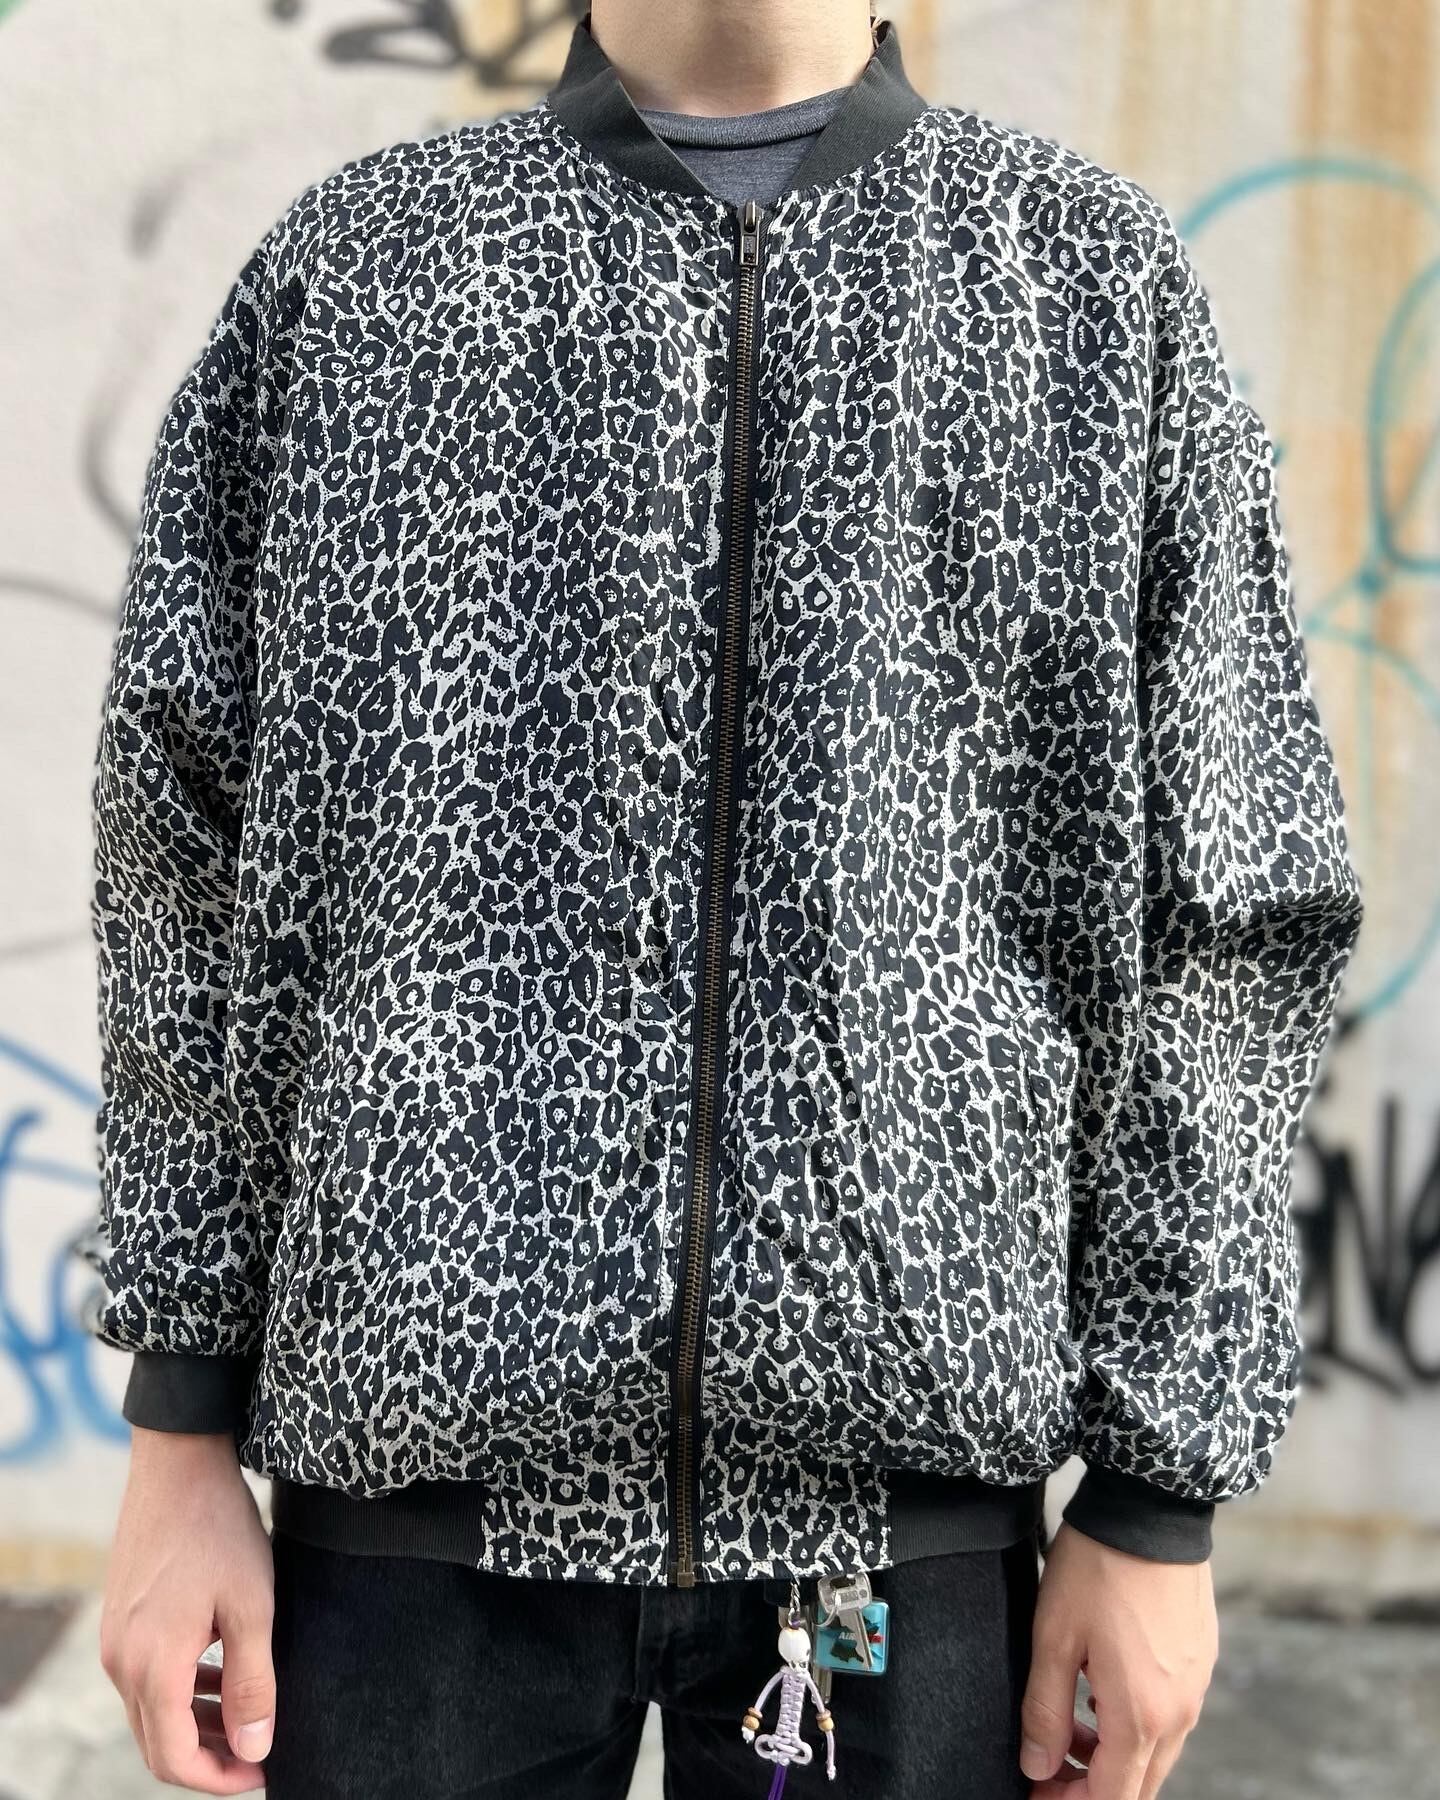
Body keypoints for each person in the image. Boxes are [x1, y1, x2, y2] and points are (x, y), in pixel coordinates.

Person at [82, 2, 1364, 1796]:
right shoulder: (364, 275)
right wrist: (180, 1435)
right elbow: (180, 860)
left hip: (900, 1535)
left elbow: (1232, 915)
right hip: (412, 1529)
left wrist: (1156, 1501)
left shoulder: (1085, 286)